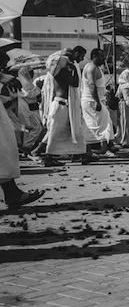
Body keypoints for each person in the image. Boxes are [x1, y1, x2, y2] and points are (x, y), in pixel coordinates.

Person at [0, 51, 44, 209]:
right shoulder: (18, 78)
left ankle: (13, 194)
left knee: (3, 152)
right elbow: (31, 93)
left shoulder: (12, 78)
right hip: (25, 110)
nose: (5, 62)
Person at [42, 49, 89, 166]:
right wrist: (73, 69)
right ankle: (48, 157)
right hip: (60, 105)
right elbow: (75, 83)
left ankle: (80, 154)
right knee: (55, 132)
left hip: (65, 105)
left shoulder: (61, 70)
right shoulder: (60, 71)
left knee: (75, 130)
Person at [81, 48, 115, 155]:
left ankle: (104, 148)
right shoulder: (91, 68)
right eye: (101, 56)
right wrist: (97, 102)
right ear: (94, 56)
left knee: (104, 124)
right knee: (95, 126)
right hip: (92, 101)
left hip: (97, 100)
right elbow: (91, 85)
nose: (104, 58)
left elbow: (98, 86)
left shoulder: (96, 68)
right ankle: (94, 150)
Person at [16, 67, 44, 153]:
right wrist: (39, 89)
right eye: (30, 73)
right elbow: (31, 95)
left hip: (30, 108)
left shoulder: (26, 83)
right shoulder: (25, 84)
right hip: (27, 109)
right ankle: (26, 147)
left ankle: (26, 146)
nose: (32, 74)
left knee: (31, 129)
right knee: (36, 128)